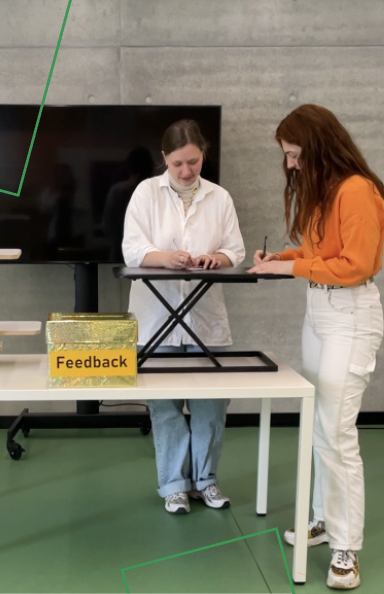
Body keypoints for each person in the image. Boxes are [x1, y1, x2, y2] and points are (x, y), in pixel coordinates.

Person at [249, 104, 384, 590]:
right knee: (318, 427)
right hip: (320, 312)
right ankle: (323, 520)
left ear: (319, 145)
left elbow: (353, 265)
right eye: (287, 156)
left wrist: (289, 269)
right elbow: (316, 256)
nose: (290, 165)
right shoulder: (323, 190)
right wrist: (280, 259)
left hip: (350, 315)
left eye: (294, 154)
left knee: (337, 433)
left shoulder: (357, 190)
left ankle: (347, 547)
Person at [122, 119, 245, 515]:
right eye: (177, 164)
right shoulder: (145, 193)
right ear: (164, 159)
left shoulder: (220, 197)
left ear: (203, 155)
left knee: (210, 401)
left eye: (193, 162)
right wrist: (166, 258)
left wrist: (216, 258)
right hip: (156, 316)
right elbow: (133, 249)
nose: (187, 171)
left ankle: (206, 480)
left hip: (205, 316)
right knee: (165, 404)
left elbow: (235, 251)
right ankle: (174, 484)